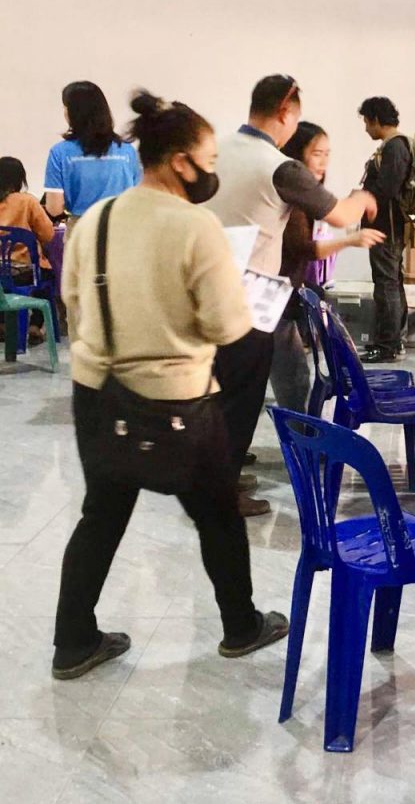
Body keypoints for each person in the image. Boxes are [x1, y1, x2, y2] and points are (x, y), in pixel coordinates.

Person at [53, 89, 290, 681]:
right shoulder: (195, 226)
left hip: (98, 392)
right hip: (177, 399)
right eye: (208, 161)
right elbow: (227, 326)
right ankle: (241, 626)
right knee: (218, 515)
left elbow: (72, 303)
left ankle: (72, 642)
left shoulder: (97, 219)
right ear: (180, 162)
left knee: (101, 515)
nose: (211, 172)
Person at [205, 76, 377, 516]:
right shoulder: (279, 166)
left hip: (207, 287)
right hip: (251, 299)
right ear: (285, 113)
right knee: (241, 399)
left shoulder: (217, 149)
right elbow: (340, 214)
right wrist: (362, 197)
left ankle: (217, 476)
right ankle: (221, 495)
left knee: (218, 391)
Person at [270, 122, 384, 412]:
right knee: (292, 382)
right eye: (316, 154)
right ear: (297, 155)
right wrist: (350, 237)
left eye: (327, 154)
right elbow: (304, 248)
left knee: (293, 380)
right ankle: (300, 436)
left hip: (281, 296)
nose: (323, 162)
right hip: (271, 297)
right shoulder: (292, 197)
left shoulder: (301, 197)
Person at [43, 81, 142, 236]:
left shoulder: (59, 152)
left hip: (81, 230)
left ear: (73, 113)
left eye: (65, 107)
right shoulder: (127, 151)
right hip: (123, 229)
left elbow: (54, 208)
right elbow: (139, 197)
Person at [358, 96, 412, 363]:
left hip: (385, 228)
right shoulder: (394, 146)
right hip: (387, 227)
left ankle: (388, 345)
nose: (366, 128)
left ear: (377, 120)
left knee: (386, 284)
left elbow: (387, 189)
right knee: (391, 282)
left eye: (367, 122)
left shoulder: (395, 148)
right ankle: (393, 341)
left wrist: (362, 198)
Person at [0, 156, 55, 344]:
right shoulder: (27, 202)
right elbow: (48, 234)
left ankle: (3, 323)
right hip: (23, 270)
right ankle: (35, 325)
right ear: (20, 179)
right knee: (47, 275)